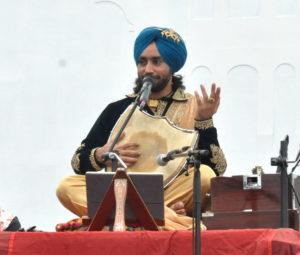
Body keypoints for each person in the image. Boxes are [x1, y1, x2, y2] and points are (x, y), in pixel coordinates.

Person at [56, 26, 227, 230]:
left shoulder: (194, 107)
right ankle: (165, 218)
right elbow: (78, 161)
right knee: (65, 186)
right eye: (142, 62)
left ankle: (143, 217)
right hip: (121, 191)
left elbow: (217, 168)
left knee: (205, 176)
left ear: (171, 66)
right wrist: (102, 153)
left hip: (169, 191)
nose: (148, 69)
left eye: (157, 61)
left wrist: (205, 121)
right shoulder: (119, 109)